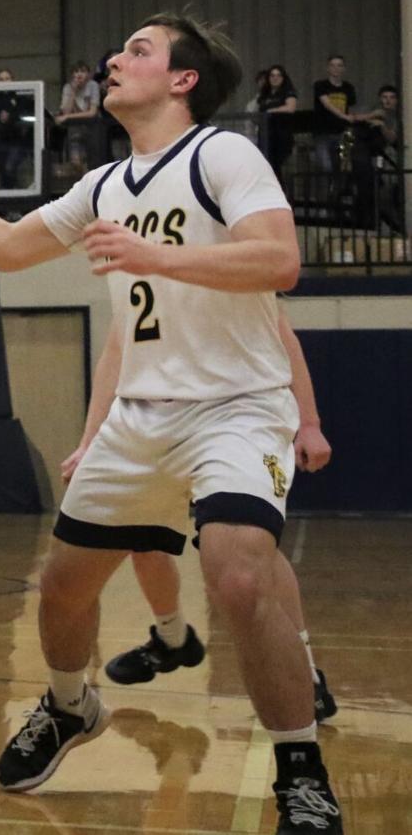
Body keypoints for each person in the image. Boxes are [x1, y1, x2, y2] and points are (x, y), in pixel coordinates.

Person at [0, 12, 342, 833]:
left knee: (239, 572)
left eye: (137, 50)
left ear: (182, 81)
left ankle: (299, 765)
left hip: (236, 407)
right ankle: (71, 705)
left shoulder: (221, 153)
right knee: (62, 586)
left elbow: (278, 260)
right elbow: (6, 246)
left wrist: (160, 257)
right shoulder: (106, 183)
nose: (114, 57)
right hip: (140, 414)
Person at [61, 310, 338, 724]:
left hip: (231, 424)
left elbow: (285, 339)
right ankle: (172, 638)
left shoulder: (221, 266)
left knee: (248, 550)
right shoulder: (135, 276)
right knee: (142, 539)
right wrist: (89, 442)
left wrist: (309, 422)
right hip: (156, 428)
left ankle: (307, 672)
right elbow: (115, 353)